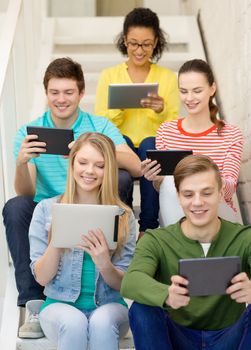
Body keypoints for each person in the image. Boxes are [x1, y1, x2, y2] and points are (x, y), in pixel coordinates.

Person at [2, 57, 141, 337]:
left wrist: (91, 150)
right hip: (49, 208)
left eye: (68, 92)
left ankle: (112, 256)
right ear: (46, 93)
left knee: (123, 176)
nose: (61, 99)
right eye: (54, 92)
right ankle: (33, 302)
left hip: (96, 200)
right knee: (15, 206)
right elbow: (26, 193)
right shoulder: (30, 132)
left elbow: (137, 165)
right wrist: (21, 162)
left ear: (80, 93)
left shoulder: (97, 126)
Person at [121, 154, 251, 350]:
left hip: (230, 338)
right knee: (142, 309)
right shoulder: (157, 240)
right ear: (179, 196)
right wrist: (166, 294)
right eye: (189, 194)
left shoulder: (244, 237)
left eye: (206, 193)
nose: (197, 202)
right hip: (177, 337)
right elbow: (131, 281)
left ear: (220, 192)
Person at [29, 132, 136, 350]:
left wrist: (105, 264)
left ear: (109, 170)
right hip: (59, 305)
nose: (89, 171)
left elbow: (125, 286)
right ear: (72, 163)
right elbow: (41, 278)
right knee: (73, 321)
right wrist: (57, 241)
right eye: (83, 162)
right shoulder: (46, 210)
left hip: (110, 305)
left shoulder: (124, 217)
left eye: (100, 165)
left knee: (102, 322)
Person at [95, 7, 179, 235]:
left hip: (152, 146)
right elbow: (101, 123)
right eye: (133, 43)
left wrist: (160, 110)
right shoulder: (109, 76)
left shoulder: (168, 78)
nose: (139, 50)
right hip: (121, 143)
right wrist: (118, 108)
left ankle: (148, 228)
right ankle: (124, 225)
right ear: (124, 41)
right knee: (122, 152)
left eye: (146, 44)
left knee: (150, 147)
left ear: (156, 43)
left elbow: (173, 127)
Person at [142, 58, 243, 226]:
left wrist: (200, 182)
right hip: (179, 211)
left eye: (197, 91)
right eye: (183, 91)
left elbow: (230, 187)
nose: (189, 98)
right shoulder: (166, 131)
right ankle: (181, 244)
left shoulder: (231, 134)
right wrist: (156, 178)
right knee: (168, 181)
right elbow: (164, 188)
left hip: (219, 212)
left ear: (212, 89)